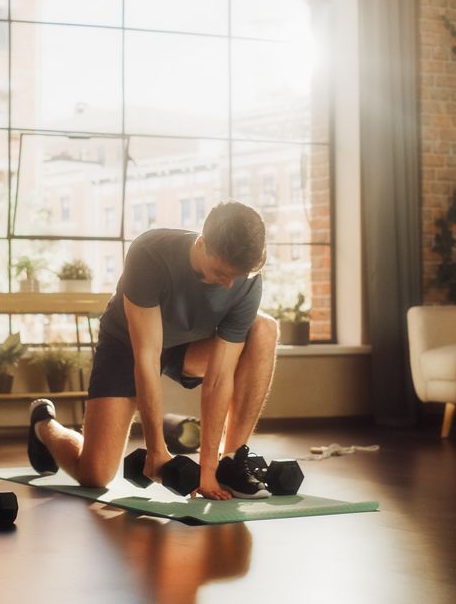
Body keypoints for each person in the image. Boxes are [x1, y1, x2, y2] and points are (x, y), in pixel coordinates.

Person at [27, 201, 279, 500]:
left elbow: (219, 377)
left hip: (189, 345)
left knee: (264, 329)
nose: (229, 285)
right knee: (94, 474)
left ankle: (232, 461)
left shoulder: (246, 280)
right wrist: (157, 449)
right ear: (202, 244)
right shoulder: (150, 253)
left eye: (237, 277)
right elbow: (146, 357)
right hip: (127, 345)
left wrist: (209, 470)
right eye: (221, 273)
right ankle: (43, 424)